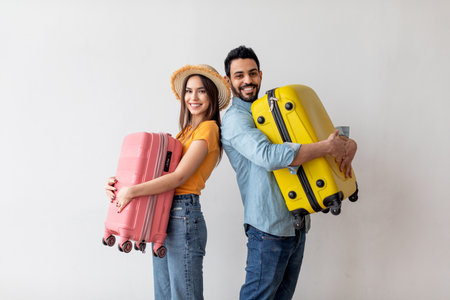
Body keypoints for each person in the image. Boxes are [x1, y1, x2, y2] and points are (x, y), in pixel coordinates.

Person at [221, 45, 357, 300]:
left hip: (296, 221)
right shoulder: (235, 121)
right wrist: (326, 147)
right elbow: (268, 156)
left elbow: (308, 132)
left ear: (260, 74)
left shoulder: (271, 109)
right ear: (228, 80)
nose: (247, 80)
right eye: (239, 76)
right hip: (267, 226)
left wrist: (348, 144)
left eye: (252, 73)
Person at [104, 64, 231, 300]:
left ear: (212, 95)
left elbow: (178, 177)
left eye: (201, 91)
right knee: (163, 295)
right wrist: (119, 185)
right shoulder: (184, 132)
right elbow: (153, 172)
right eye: (189, 91)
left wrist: (131, 192)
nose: (193, 97)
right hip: (163, 213)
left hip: (184, 215)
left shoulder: (209, 129)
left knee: (184, 296)